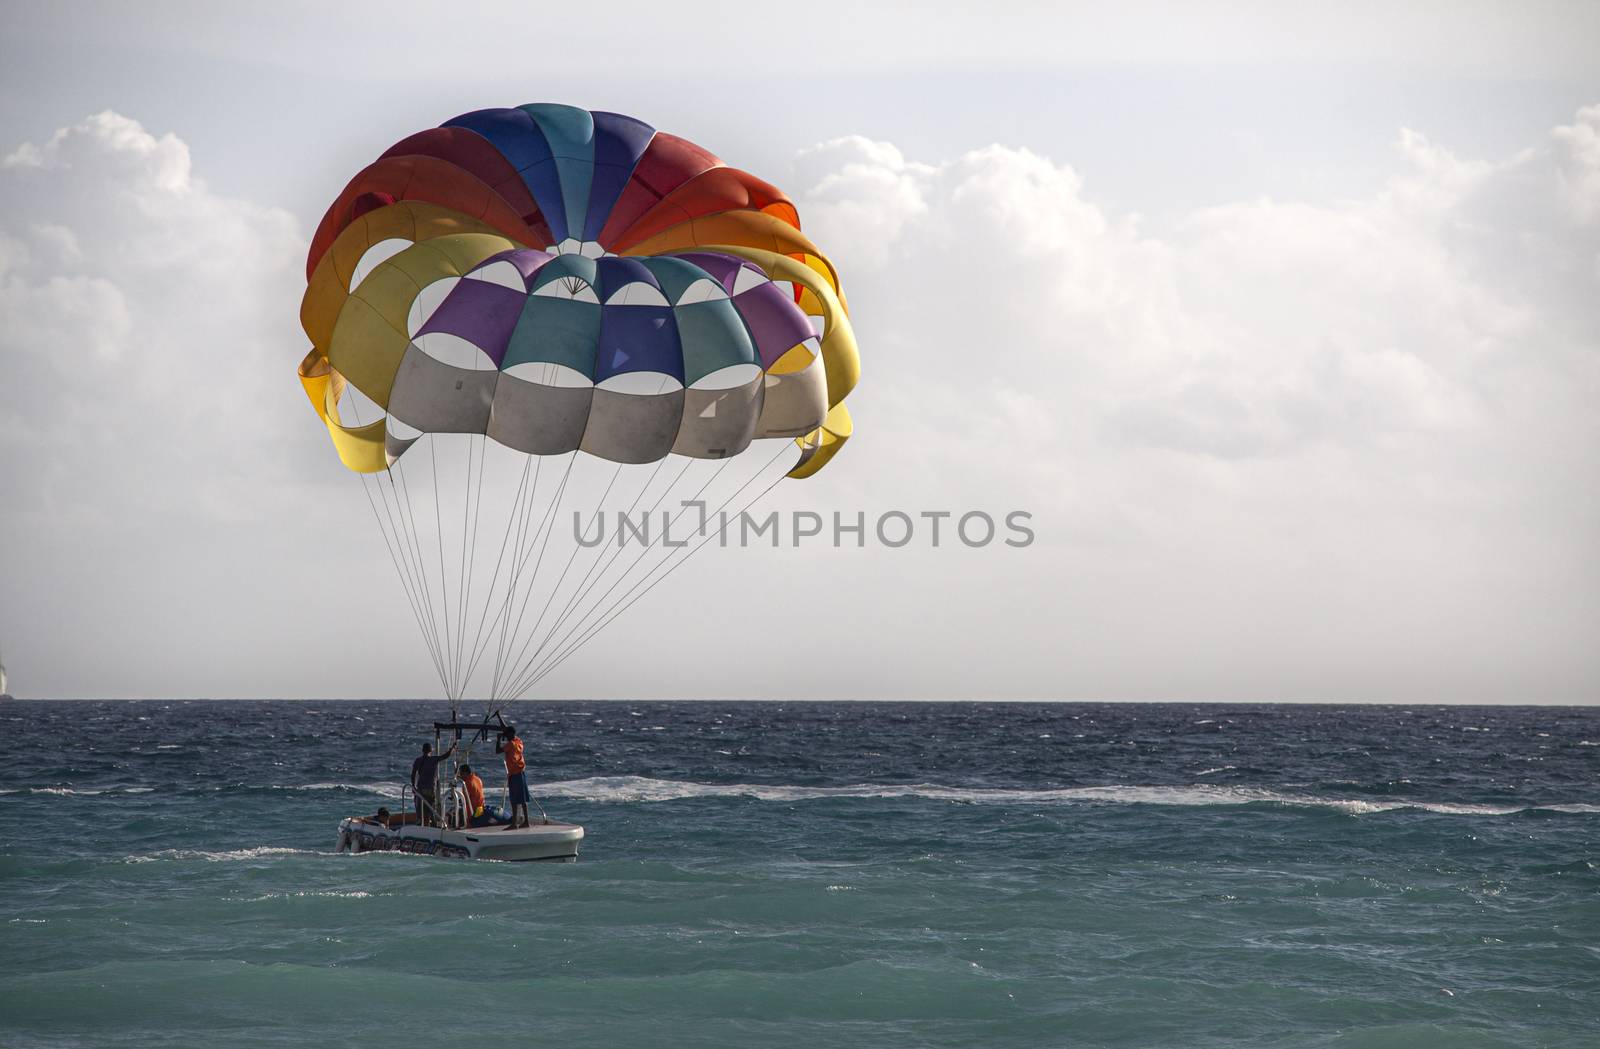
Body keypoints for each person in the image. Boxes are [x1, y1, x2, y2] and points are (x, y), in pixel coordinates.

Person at [409, 740, 456, 826]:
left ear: (422, 750)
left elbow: (413, 774)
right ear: (431, 751)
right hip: (430, 789)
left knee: (421, 808)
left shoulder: (418, 760)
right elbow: (446, 756)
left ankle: (422, 823)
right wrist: (452, 748)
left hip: (420, 789)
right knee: (430, 808)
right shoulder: (434, 759)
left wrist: (413, 786)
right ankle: (432, 824)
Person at [495, 725, 531, 829]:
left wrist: (498, 739)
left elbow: (497, 751)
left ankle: (515, 823)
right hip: (521, 773)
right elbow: (507, 728)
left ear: (510, 734)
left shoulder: (510, 744)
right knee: (523, 799)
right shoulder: (518, 741)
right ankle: (526, 822)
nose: (505, 736)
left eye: (506, 735)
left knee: (514, 800)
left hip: (515, 774)